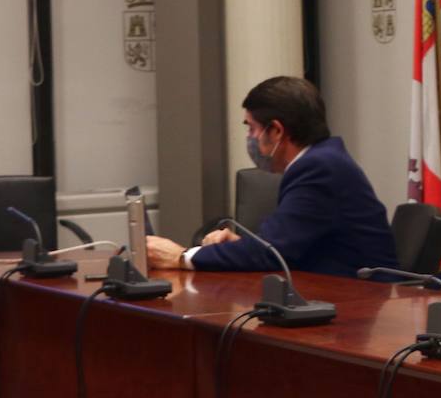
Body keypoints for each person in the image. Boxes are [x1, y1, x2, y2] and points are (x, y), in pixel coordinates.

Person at [146, 76, 400, 277]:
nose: (250, 139)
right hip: (338, 293)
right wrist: (237, 245)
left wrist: (181, 257)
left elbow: (271, 253)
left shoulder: (320, 169)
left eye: (252, 128)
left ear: (276, 131)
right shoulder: (321, 160)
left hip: (364, 302)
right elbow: (282, 245)